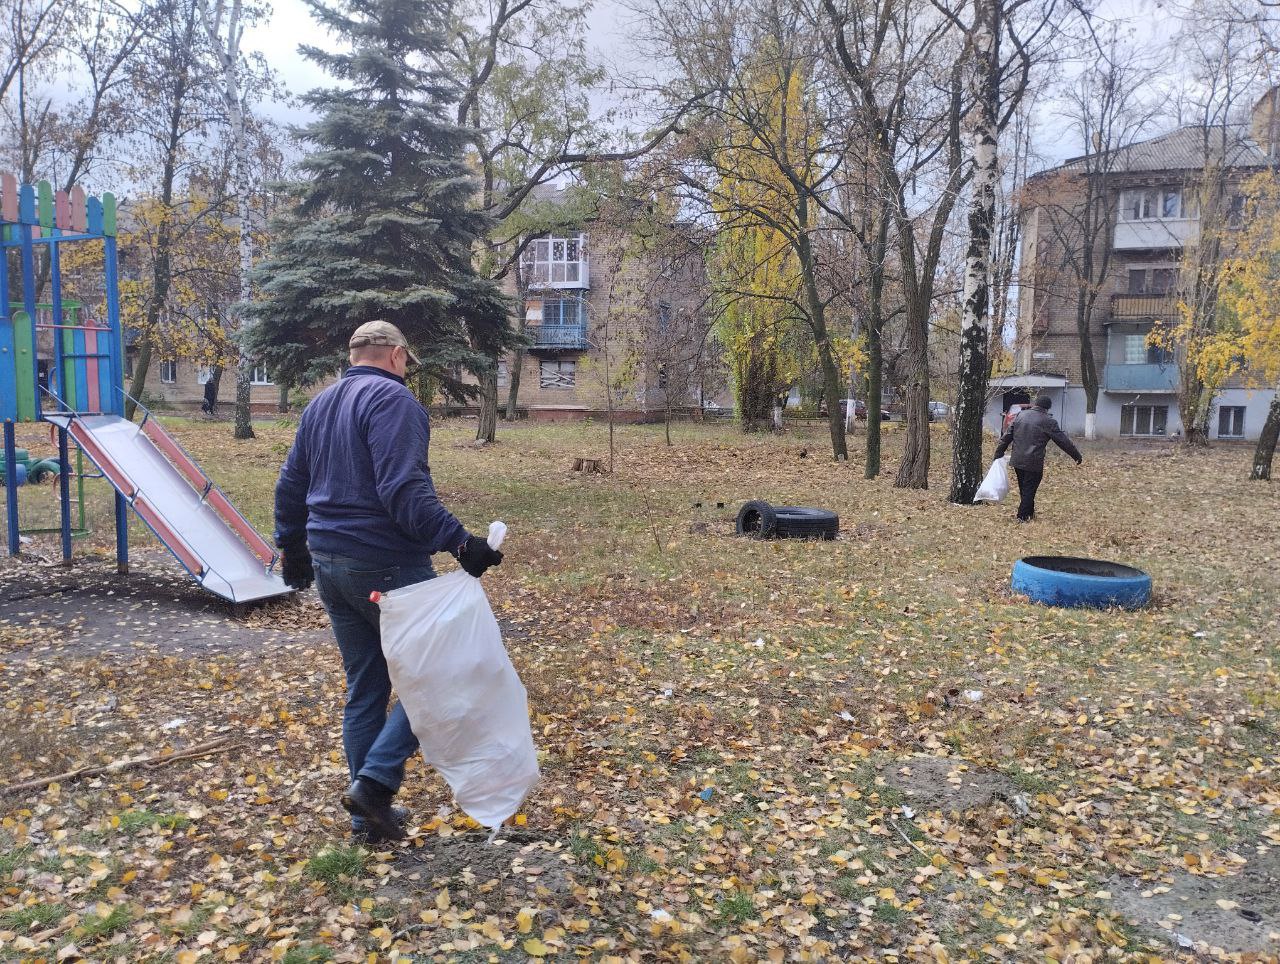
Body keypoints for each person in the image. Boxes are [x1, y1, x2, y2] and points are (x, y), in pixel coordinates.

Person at [273, 320, 504, 843]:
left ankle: (367, 822)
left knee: (367, 688)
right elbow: (404, 491)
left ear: (355, 355)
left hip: (330, 562)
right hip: (385, 564)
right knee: (445, 673)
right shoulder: (395, 402)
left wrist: (291, 545)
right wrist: (462, 543)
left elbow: (291, 483)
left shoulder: (322, 404)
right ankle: (375, 785)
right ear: (398, 355)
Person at [993, 394, 1082, 523]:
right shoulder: (1048, 421)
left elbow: (1007, 436)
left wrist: (998, 453)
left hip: (1017, 460)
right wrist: (1076, 455)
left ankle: (1029, 514)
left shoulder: (1021, 415)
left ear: (1035, 404)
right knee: (1029, 490)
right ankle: (1022, 517)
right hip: (1033, 462)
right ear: (1047, 408)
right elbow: (1063, 441)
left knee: (1025, 489)